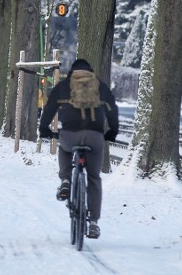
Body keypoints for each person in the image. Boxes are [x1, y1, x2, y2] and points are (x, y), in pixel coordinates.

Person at [38, 58, 119, 239]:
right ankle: (93, 223)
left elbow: (49, 108)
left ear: (73, 72)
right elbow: (112, 109)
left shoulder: (64, 85)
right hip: (94, 137)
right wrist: (112, 131)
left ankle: (66, 180)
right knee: (94, 177)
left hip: (70, 134)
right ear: (90, 72)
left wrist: (44, 130)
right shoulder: (100, 85)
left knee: (65, 149)